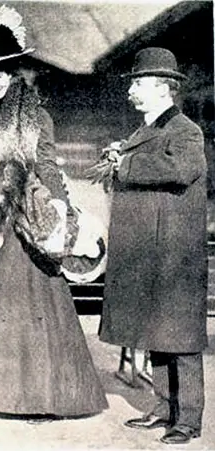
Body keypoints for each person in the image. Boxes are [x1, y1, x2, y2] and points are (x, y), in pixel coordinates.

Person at [0, 6, 108, 421]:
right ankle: (0, 398)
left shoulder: (36, 117)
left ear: (14, 70)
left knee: (32, 307)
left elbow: (49, 166)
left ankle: (43, 399)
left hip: (26, 219)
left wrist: (56, 207)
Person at [97, 47, 208, 445]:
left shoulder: (184, 129)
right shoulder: (146, 131)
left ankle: (189, 418)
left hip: (175, 254)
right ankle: (163, 408)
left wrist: (123, 165)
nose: (132, 88)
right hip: (152, 249)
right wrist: (121, 156)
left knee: (182, 337)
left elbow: (181, 169)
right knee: (159, 332)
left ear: (165, 89)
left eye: (139, 82)